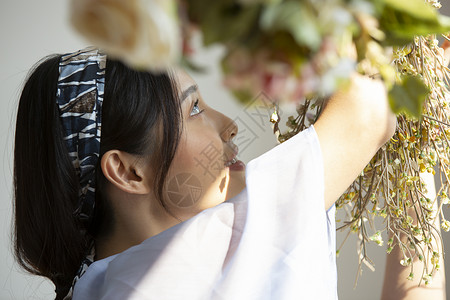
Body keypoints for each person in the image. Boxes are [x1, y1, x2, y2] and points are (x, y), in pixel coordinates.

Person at [12, 47, 441, 300]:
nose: (228, 124)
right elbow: (366, 113)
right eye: (193, 109)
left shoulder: (117, 283)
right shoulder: (166, 275)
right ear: (127, 171)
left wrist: (417, 156)